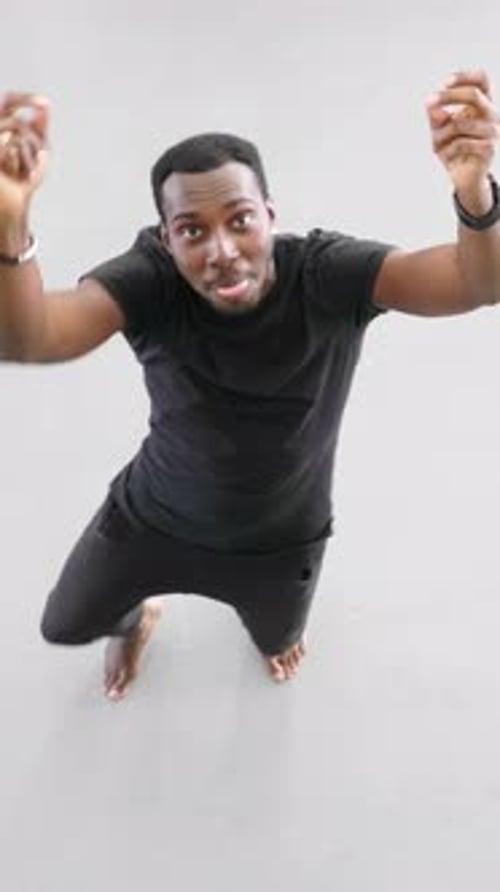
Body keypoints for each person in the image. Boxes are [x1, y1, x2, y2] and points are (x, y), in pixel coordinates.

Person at [1, 71, 499, 701]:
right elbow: (27, 337)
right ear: (166, 239)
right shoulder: (150, 282)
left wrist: (473, 189)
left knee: (277, 637)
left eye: (240, 220)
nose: (223, 251)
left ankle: (275, 632)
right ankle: (137, 618)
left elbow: (477, 284)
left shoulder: (328, 274)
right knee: (66, 623)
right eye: (192, 231)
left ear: (269, 214)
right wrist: (9, 220)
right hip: (151, 517)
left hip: (280, 539)